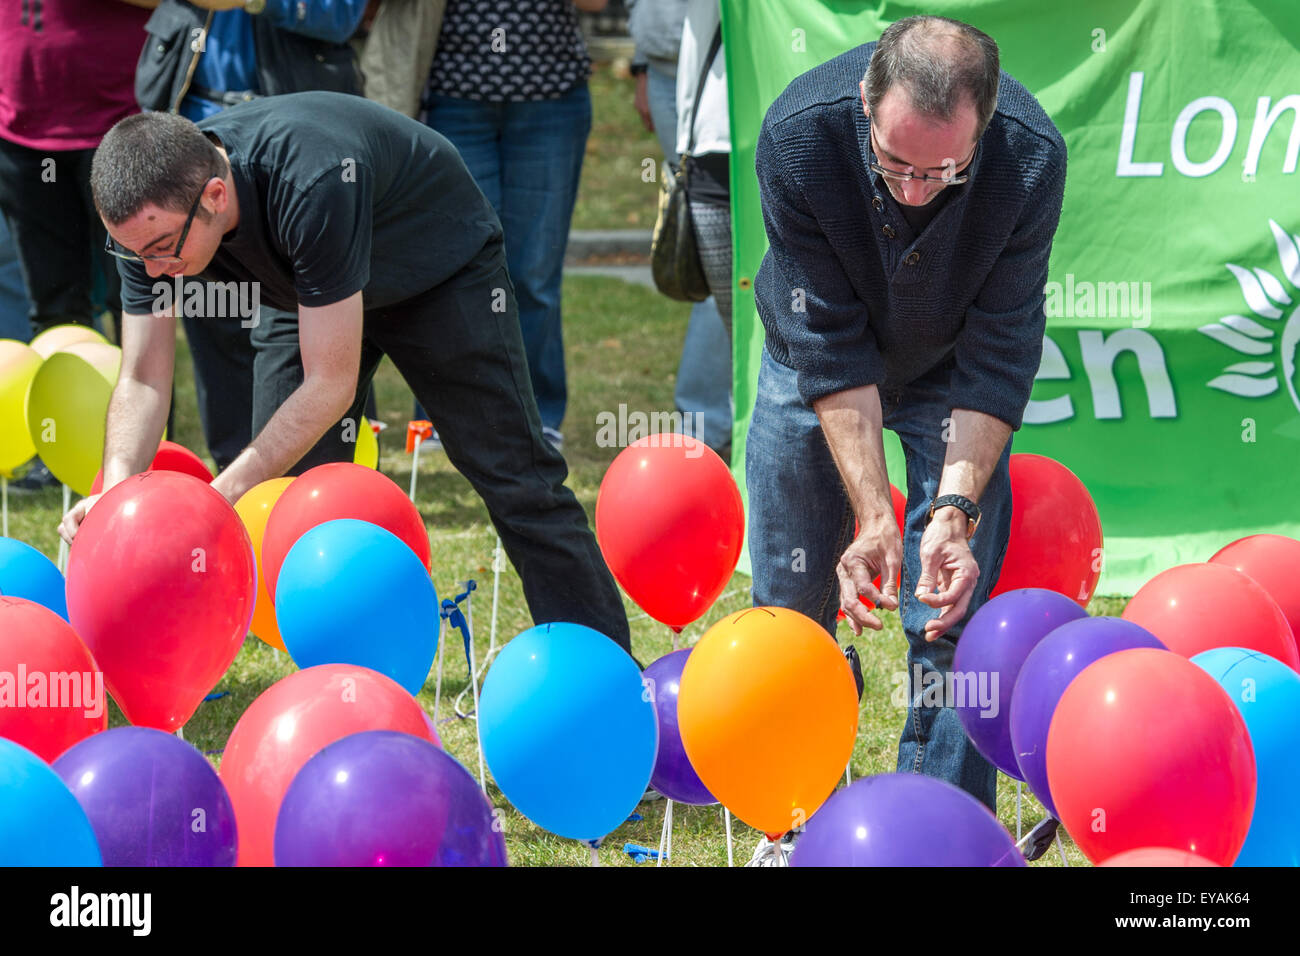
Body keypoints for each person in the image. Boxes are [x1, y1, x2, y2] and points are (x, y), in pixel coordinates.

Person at [59, 91, 633, 656]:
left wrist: (216, 497)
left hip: (434, 274)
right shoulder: (145, 227)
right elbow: (142, 378)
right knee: (288, 502)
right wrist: (114, 493)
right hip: (304, 296)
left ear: (215, 194)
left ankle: (605, 669)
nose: (155, 272)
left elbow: (328, 384)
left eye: (162, 250)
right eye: (137, 255)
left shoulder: (310, 177)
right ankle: (345, 670)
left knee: (516, 478)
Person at [745, 16, 1067, 860]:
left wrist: (951, 512)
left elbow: (1000, 358)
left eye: (943, 171)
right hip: (810, 362)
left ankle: (941, 836)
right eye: (894, 164)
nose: (915, 191)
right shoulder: (797, 135)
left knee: (956, 609)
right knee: (788, 602)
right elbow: (829, 346)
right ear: (864, 104)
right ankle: (790, 821)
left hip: (950, 372)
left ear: (984, 129)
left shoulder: (1031, 158)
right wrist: (874, 515)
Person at [133, 0, 369, 473]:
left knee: (308, 333)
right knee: (214, 317)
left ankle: (322, 482)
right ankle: (233, 485)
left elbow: (342, 15)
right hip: (192, 130)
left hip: (293, 149)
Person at [418, 0, 610, 450]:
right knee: (452, 266)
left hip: (550, 104)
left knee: (533, 272)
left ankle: (536, 416)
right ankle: (440, 414)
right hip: (454, 97)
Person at [0, 0, 152, 489]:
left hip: (117, 128)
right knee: (54, 309)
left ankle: (138, 448)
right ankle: (60, 447)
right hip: (19, 133)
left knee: (133, 302)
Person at [628, 0, 733, 459]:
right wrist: (641, 63)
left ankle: (716, 423)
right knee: (713, 276)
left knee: (750, 279)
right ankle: (701, 428)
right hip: (674, 69)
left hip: (737, 78)